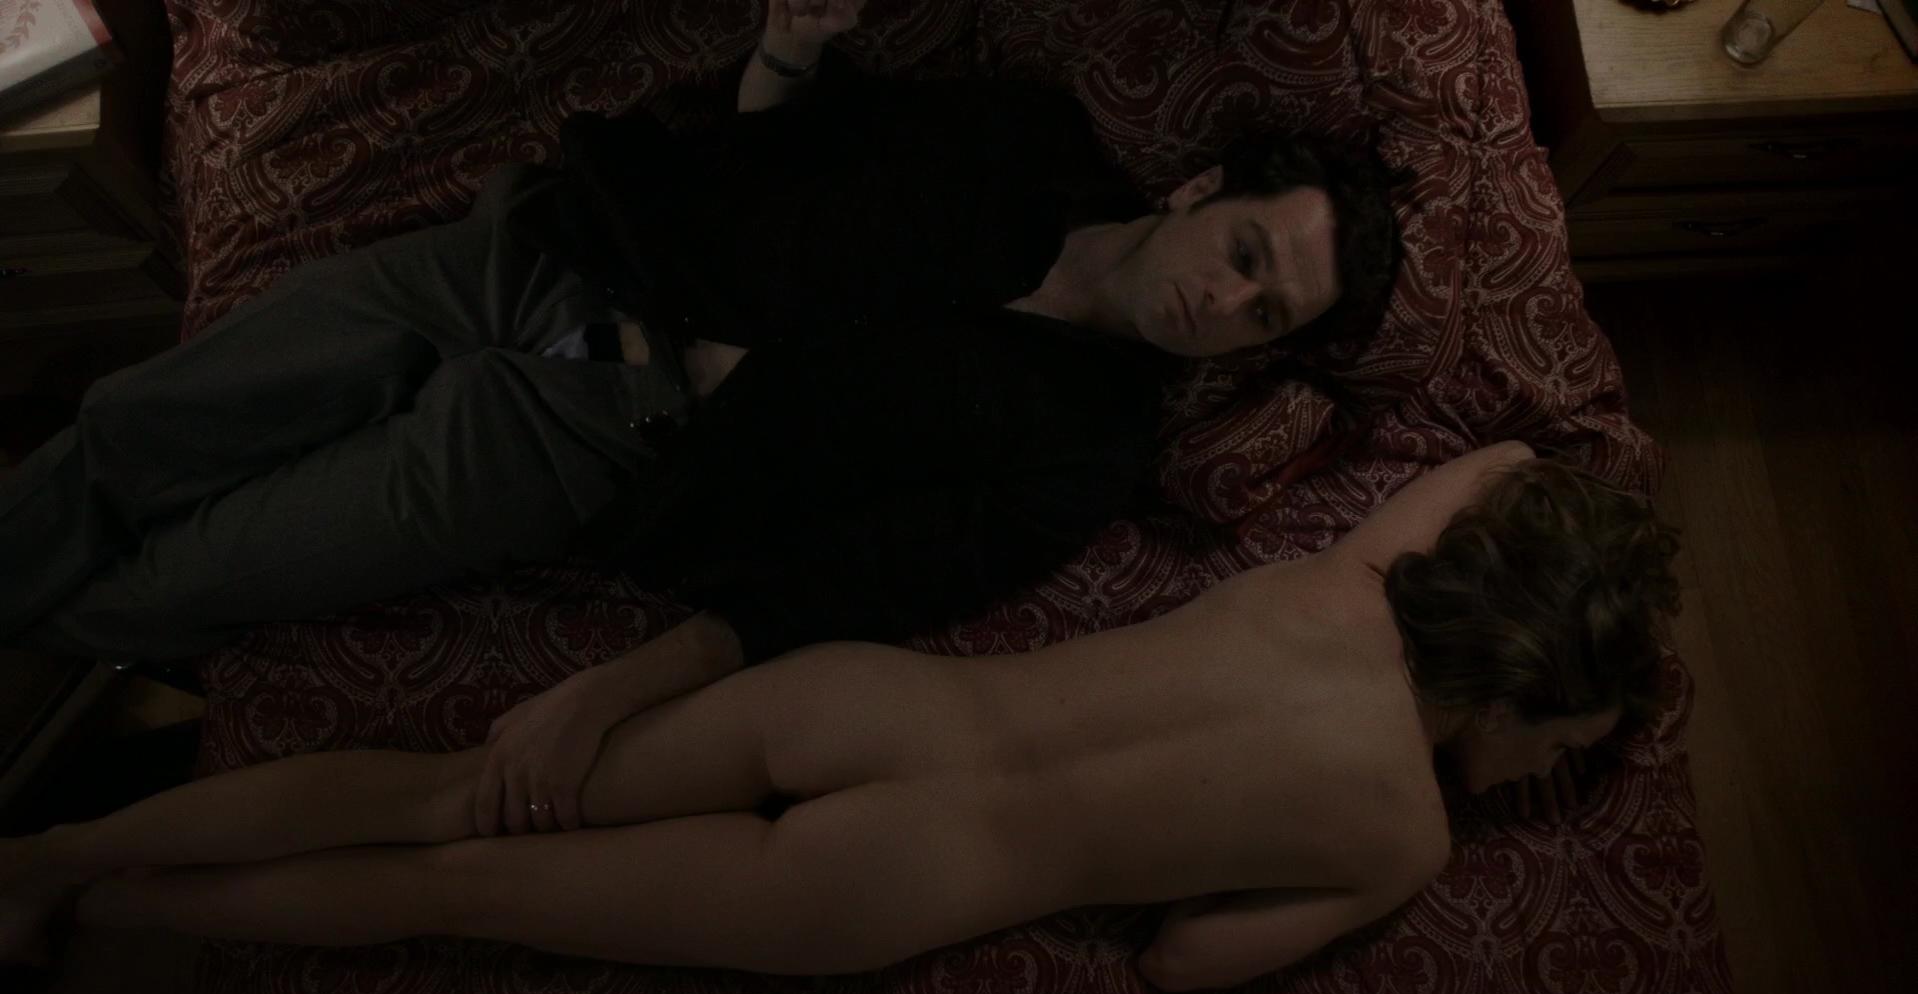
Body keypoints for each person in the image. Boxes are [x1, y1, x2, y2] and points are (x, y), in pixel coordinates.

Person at [0, 0, 1404, 833]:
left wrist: (601, 699)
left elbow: (841, 592)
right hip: (551, 251)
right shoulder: (1024, 139)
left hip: (595, 432)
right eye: (1244, 254)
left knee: (196, 578)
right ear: (1197, 192)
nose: (1226, 303)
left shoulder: (1085, 456)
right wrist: (786, 53)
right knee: (135, 428)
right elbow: (783, 149)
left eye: (1264, 313)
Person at [0, 441, 1682, 991]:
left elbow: (1505, 463)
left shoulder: (1348, 585)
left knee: (450, 800)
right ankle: (114, 909)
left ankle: (57, 858)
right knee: (464, 892)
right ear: (1536, 683)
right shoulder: (1400, 842)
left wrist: (1585, 562)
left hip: (872, 710)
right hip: (904, 878)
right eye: (1570, 745)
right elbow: (1184, 960)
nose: (1548, 777)